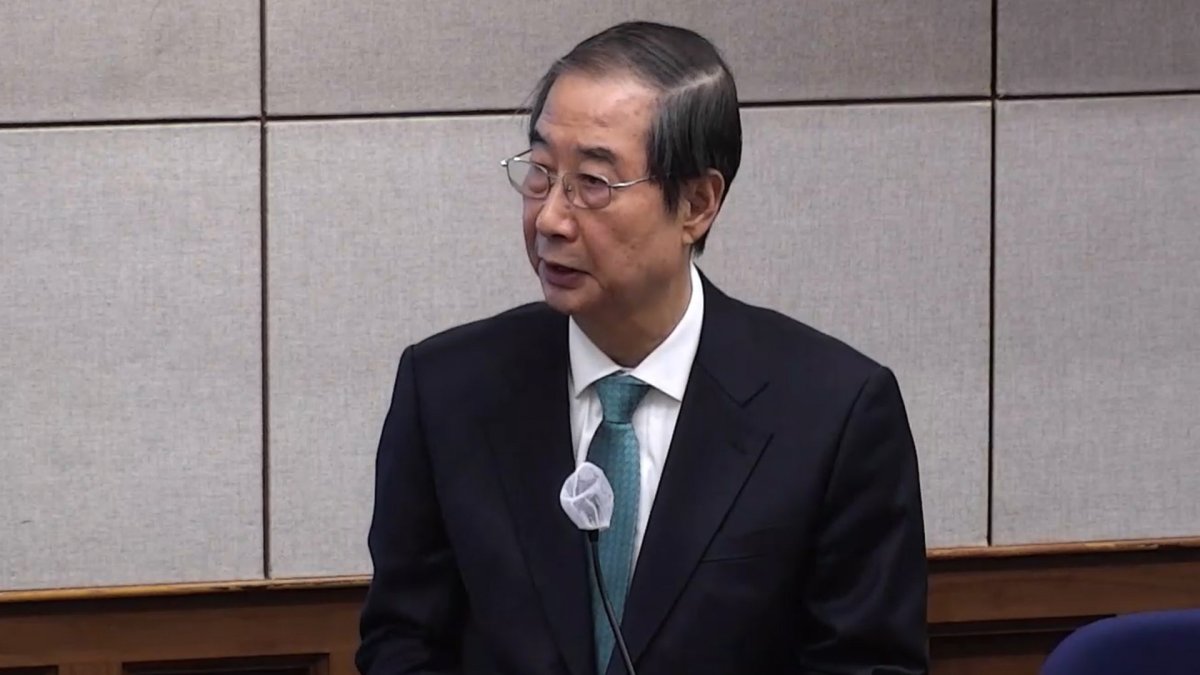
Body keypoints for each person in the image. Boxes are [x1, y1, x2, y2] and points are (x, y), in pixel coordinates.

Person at [357, 20, 928, 675]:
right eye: (541, 172)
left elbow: (868, 664)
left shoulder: (834, 412)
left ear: (697, 203)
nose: (550, 218)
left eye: (593, 182)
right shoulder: (447, 390)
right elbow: (402, 643)